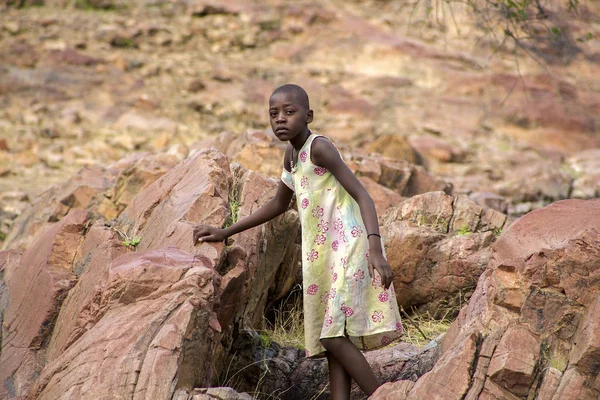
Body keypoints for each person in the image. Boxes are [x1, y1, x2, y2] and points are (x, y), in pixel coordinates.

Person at [193, 84, 403, 399]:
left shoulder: (319, 148)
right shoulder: (291, 155)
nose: (280, 119)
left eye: (289, 112)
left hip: (351, 244)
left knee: (332, 337)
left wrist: (375, 249)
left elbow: (362, 195)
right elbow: (278, 205)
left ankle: (382, 395)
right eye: (273, 113)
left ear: (308, 115)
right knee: (332, 337)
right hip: (323, 255)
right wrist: (226, 232)